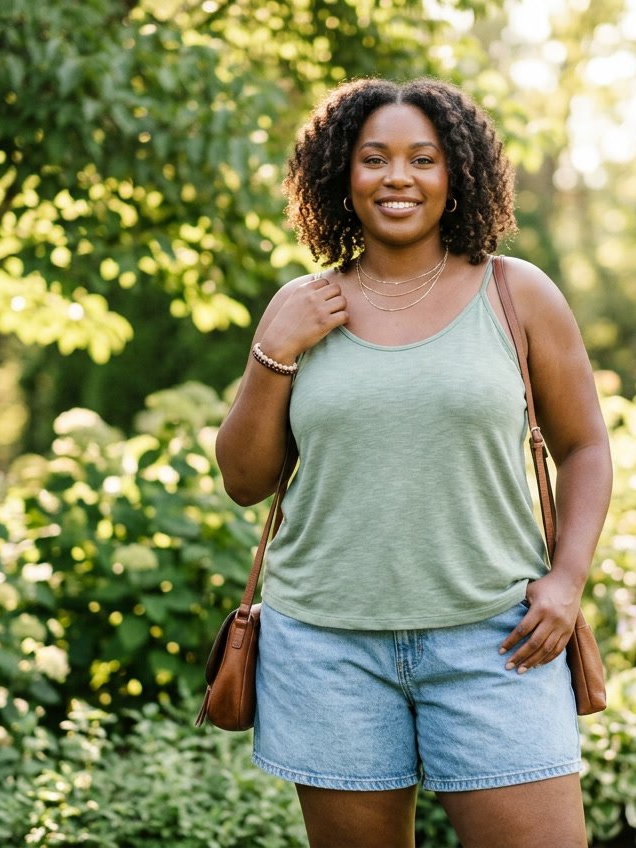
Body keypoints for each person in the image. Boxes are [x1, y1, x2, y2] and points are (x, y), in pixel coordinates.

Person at [215, 77, 612, 848]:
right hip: (327, 647)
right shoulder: (303, 306)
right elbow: (244, 481)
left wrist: (567, 581)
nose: (398, 177)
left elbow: (585, 446)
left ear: (456, 174)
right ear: (342, 175)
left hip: (497, 641)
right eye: (375, 159)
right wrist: (275, 349)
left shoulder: (516, 294)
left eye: (422, 159)